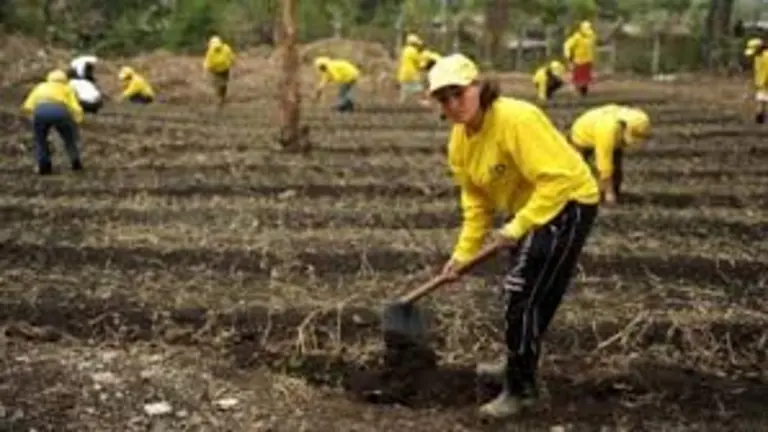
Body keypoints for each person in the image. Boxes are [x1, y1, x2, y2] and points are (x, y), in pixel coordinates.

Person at [427, 53, 600, 419]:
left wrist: (517, 228)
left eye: (459, 93)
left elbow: (557, 179)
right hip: (529, 208)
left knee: (522, 295)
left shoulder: (515, 118)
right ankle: (517, 365)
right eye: (443, 99)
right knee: (526, 295)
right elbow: (475, 202)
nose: (454, 105)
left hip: (567, 202)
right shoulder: (460, 140)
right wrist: (462, 255)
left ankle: (522, 390)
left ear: (478, 87)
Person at [569, 104, 651, 204]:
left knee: (616, 163)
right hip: (582, 134)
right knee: (581, 169)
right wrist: (609, 195)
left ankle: (614, 191)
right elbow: (604, 166)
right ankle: (588, 196)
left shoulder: (639, 119)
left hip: (609, 131)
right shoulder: (606, 130)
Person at [21, 69, 85, 175]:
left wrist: (33, 117)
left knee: (40, 139)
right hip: (60, 111)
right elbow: (75, 107)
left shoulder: (40, 86)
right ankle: (75, 162)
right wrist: (77, 120)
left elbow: (27, 106)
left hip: (40, 110)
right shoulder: (67, 88)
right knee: (68, 138)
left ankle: (44, 165)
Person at [563, 21, 596, 96]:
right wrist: (568, 56)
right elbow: (567, 46)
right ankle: (577, 92)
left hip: (588, 60)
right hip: (578, 60)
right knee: (577, 78)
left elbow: (592, 48)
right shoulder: (576, 37)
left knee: (586, 79)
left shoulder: (592, 36)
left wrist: (592, 58)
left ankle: (584, 93)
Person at [203, 35, 236, 107]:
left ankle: (220, 97)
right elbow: (232, 57)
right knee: (223, 83)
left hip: (216, 71)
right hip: (224, 69)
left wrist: (207, 69)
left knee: (218, 84)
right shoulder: (226, 48)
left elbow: (208, 63)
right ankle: (222, 97)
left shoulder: (210, 51)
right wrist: (233, 62)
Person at [397, 34, 429, 106]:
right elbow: (419, 63)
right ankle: (424, 104)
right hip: (411, 75)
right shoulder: (413, 51)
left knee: (404, 92)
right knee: (420, 90)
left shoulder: (405, 50)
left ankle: (400, 106)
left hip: (402, 75)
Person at [744, 38, 768, 124]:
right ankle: (760, 116)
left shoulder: (766, 56)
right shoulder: (757, 57)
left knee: (762, 99)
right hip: (762, 84)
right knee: (761, 100)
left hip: (765, 83)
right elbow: (758, 71)